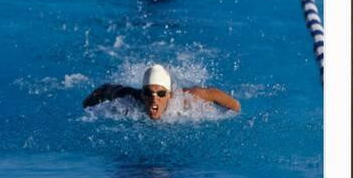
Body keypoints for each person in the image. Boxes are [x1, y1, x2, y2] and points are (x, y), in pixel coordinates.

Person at [83, 64, 240, 120]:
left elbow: (213, 94)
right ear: (142, 93)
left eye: (161, 94)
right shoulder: (130, 96)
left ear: (169, 95)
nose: (154, 98)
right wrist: (86, 106)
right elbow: (106, 89)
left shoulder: (185, 99)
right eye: (148, 93)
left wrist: (236, 110)